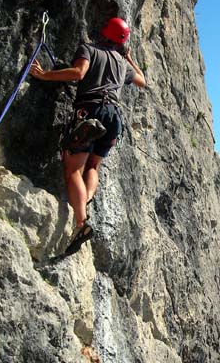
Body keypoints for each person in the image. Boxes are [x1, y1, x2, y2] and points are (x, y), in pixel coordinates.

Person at [30, 17, 145, 255]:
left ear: (103, 32)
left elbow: (78, 73)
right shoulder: (123, 65)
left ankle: (81, 223)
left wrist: (45, 75)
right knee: (93, 166)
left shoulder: (89, 49)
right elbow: (142, 81)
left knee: (73, 168)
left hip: (90, 110)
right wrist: (129, 58)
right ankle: (85, 200)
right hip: (114, 117)